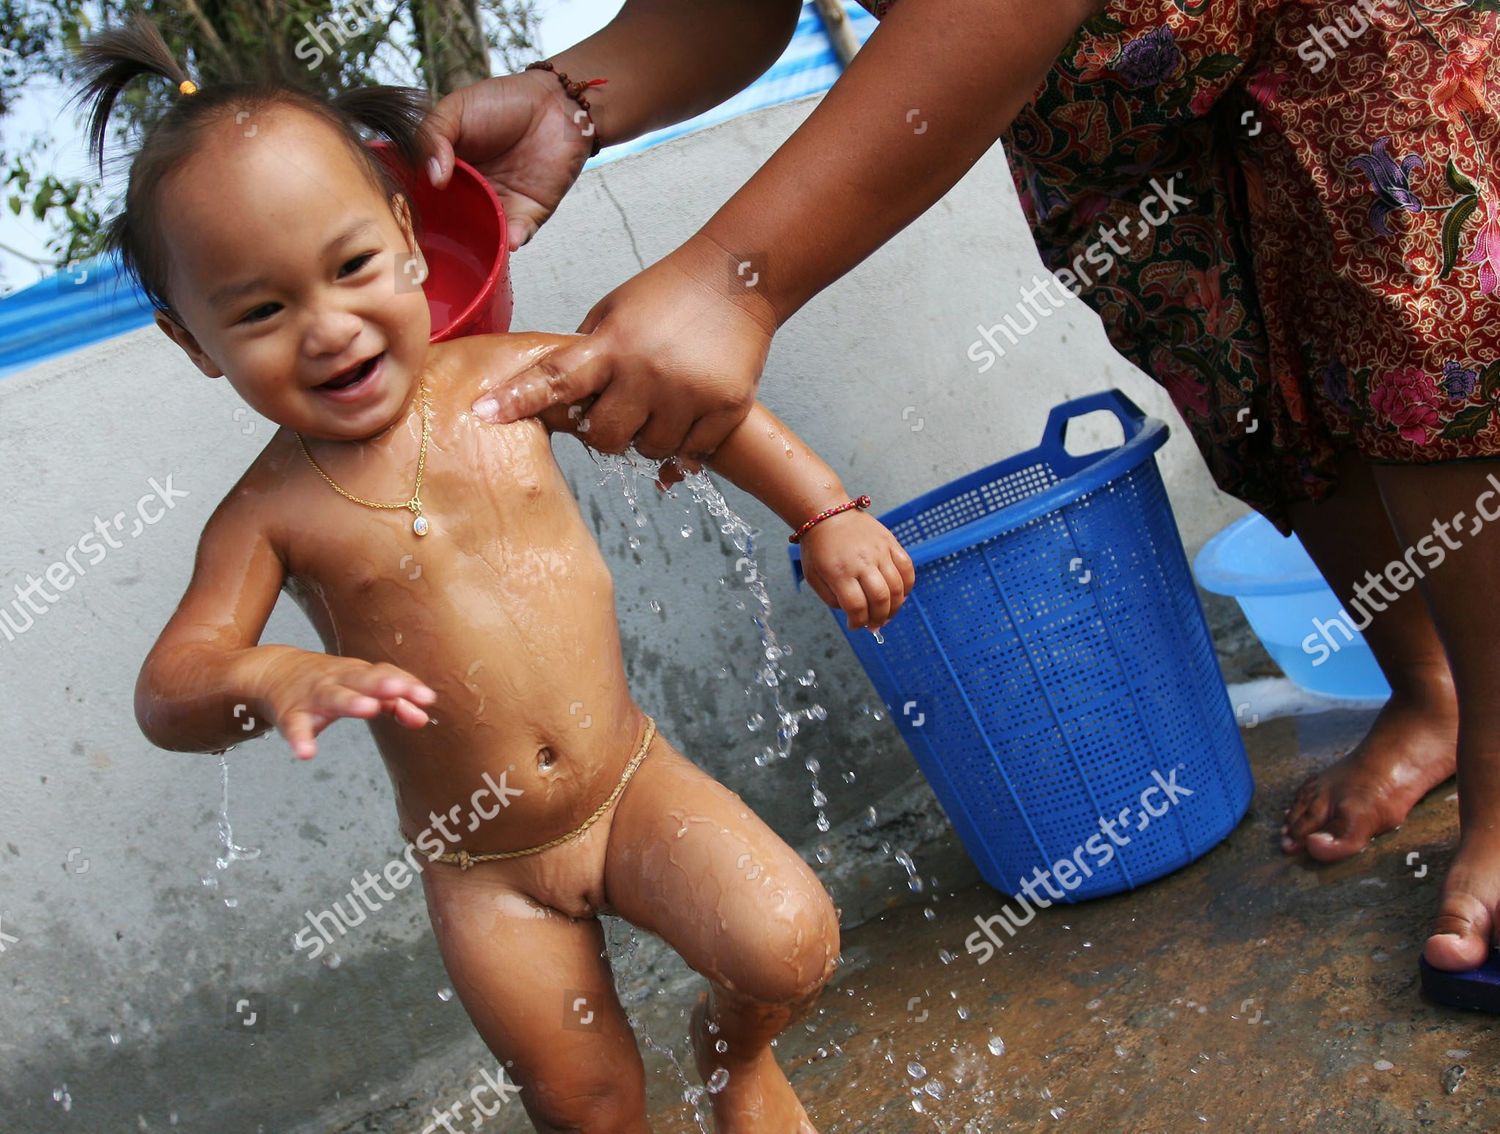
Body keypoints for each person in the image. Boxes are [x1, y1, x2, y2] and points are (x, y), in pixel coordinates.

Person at [423, 0, 1500, 974]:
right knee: (1252, 380)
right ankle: (1434, 690)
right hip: (1101, 112)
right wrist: (578, 93)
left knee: (1418, 329)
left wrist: (740, 296)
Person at [84, 15, 915, 1132]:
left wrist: (825, 510)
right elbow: (171, 685)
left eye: (352, 268)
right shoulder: (265, 513)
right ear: (193, 341)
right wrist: (271, 677)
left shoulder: (504, 381)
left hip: (631, 790)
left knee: (788, 946)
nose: (328, 328)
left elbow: (699, 408)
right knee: (587, 1105)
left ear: (410, 241)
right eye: (264, 310)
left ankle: (732, 1057)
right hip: (489, 874)